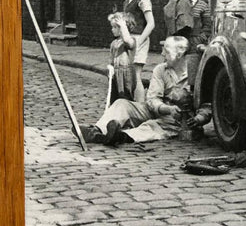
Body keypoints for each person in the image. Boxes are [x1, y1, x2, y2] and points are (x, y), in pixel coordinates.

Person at [78, 35, 212, 145]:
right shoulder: (160, 69)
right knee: (122, 104)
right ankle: (96, 131)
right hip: (157, 110)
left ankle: (120, 137)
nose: (162, 54)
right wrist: (166, 108)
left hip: (175, 121)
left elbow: (207, 105)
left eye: (166, 51)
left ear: (179, 54)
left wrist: (199, 119)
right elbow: (152, 99)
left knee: (151, 127)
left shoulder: (197, 74)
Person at [163, 0, 211, 86]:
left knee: (193, 74)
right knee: (177, 74)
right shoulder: (176, 5)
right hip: (179, 43)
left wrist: (199, 39)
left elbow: (208, 27)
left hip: (195, 44)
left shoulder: (202, 6)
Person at [122, 0, 155, 103]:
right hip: (128, 39)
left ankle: (140, 105)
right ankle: (132, 103)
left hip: (138, 38)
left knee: (136, 74)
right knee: (128, 74)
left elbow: (151, 23)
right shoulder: (126, 1)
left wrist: (140, 41)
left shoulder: (143, 0)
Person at [106, 11, 137, 104]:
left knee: (126, 97)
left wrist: (123, 26)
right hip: (116, 74)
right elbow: (111, 58)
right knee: (114, 98)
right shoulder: (114, 43)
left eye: (115, 27)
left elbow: (128, 41)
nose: (112, 29)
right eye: (112, 27)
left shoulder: (130, 41)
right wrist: (109, 67)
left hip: (126, 75)